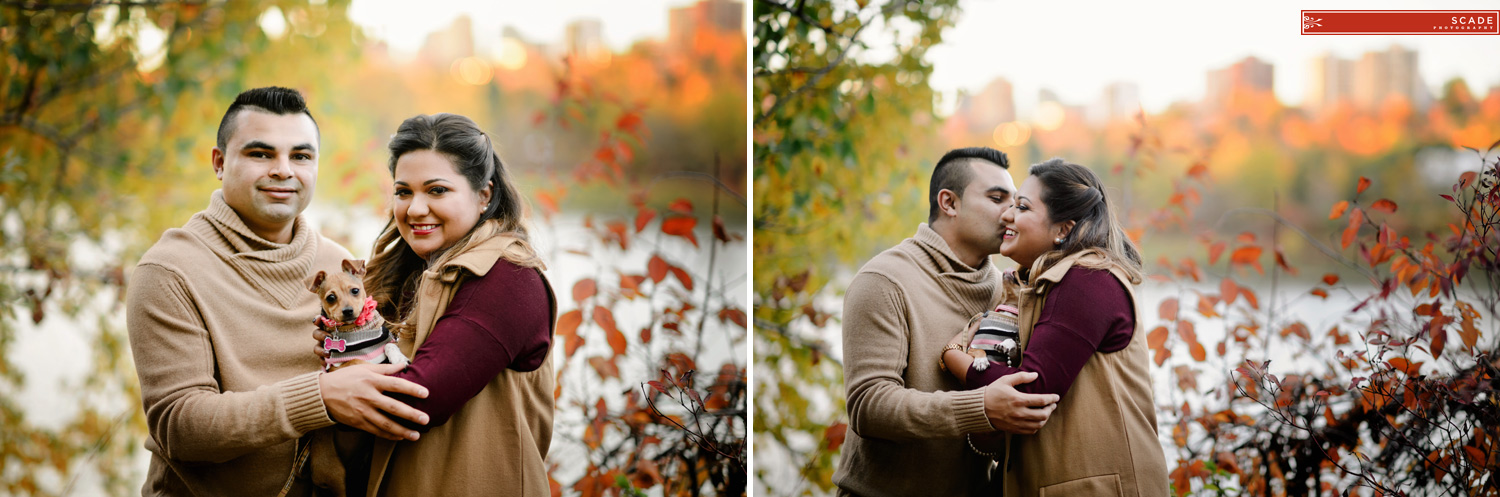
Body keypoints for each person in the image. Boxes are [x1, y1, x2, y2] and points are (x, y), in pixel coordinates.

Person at [127, 86, 431, 496]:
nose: (284, 170)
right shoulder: (170, 271)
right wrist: (319, 397)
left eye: (301, 156)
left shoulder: (337, 265)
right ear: (219, 163)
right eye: (260, 154)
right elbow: (180, 427)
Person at [344, 113, 557, 496]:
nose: (414, 209)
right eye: (403, 191)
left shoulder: (508, 278)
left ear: (484, 195)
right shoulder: (408, 273)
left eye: (437, 190)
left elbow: (421, 398)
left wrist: (326, 387)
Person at [833, 147, 1062, 497]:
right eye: (997, 198)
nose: (1012, 213)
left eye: (1016, 202)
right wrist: (980, 408)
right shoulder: (884, 281)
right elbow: (869, 406)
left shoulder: (1009, 291)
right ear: (949, 203)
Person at [940, 158, 1168, 496]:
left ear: (1063, 229)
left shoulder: (1087, 279)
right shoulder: (1047, 284)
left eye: (1022, 207)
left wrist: (954, 356)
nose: (1007, 216)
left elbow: (1028, 393)